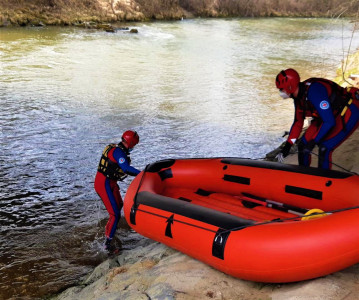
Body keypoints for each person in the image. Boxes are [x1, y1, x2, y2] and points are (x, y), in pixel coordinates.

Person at [275, 68, 359, 169]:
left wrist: (313, 141)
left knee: (324, 147)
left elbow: (329, 122)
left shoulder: (314, 92)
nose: (280, 92)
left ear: (289, 87)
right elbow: (298, 123)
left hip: (348, 112)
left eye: (281, 89)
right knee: (302, 146)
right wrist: (288, 145)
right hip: (328, 115)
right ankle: (305, 175)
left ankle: (324, 180)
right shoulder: (299, 97)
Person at [94, 130, 141, 252]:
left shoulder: (118, 149)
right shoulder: (118, 152)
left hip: (111, 183)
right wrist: (143, 174)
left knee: (119, 205)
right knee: (115, 214)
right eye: (134, 145)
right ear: (130, 143)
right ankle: (107, 245)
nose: (134, 147)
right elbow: (126, 168)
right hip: (103, 183)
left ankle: (110, 231)